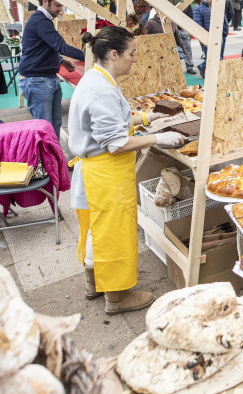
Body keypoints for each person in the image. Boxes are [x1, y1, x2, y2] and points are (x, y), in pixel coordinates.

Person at [69, 27, 185, 314]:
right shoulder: (101, 89)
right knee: (115, 235)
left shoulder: (96, 79)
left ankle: (93, 281)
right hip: (105, 175)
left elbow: (112, 124)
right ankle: (118, 296)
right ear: (113, 54)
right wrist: (158, 137)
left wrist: (147, 116)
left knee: (97, 231)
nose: (134, 59)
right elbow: (116, 143)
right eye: (131, 54)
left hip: (94, 171)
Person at [19, 0, 85, 137]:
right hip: (37, 80)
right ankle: (46, 158)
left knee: (54, 123)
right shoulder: (40, 21)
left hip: (45, 78)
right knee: (45, 128)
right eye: (57, 5)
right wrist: (90, 56)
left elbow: (44, 46)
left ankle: (53, 157)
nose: (60, 9)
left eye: (62, 5)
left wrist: (61, 60)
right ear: (44, 1)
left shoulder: (43, 20)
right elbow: (61, 46)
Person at [192, 0, 228, 76]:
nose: (211, 0)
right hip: (207, 38)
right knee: (211, 57)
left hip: (220, 35)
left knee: (219, 56)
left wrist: (225, 32)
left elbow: (224, 18)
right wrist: (204, 37)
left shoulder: (217, 6)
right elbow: (197, 25)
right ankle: (205, 68)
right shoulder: (198, 8)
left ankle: (207, 68)